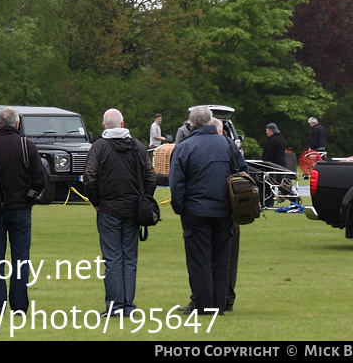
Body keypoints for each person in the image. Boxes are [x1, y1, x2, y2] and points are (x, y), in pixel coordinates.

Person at [169, 104, 245, 315]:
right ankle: (219, 305)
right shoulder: (228, 144)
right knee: (221, 260)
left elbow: (177, 183)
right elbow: (243, 173)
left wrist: (181, 208)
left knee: (199, 259)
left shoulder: (184, 146)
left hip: (195, 211)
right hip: (224, 211)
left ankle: (203, 305)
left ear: (191, 124)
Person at [84, 109, 155, 318]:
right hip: (133, 208)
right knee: (129, 257)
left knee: (113, 258)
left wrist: (96, 202)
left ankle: (115, 306)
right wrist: (144, 200)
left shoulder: (99, 147)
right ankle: (127, 305)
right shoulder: (138, 147)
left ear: (104, 125)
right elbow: (150, 176)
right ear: (122, 124)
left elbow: (89, 176)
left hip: (108, 209)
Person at [0, 107, 47, 315]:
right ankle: (19, 306)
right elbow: (40, 180)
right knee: (21, 259)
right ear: (17, 124)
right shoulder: (27, 146)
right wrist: (29, 198)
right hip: (20, 210)